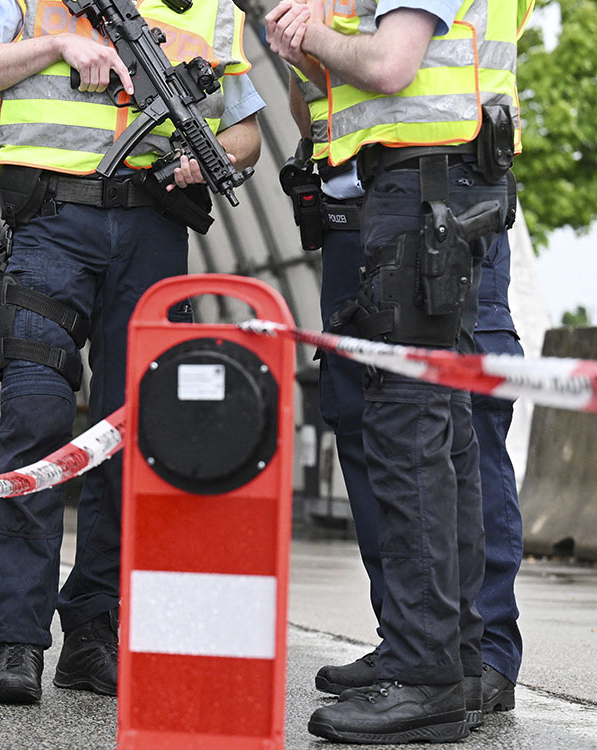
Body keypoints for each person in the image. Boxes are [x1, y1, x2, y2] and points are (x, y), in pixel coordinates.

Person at [0, 0, 264, 705]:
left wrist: (202, 163)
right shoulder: (24, 3)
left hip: (152, 226)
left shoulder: (211, 12)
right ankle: (18, 641)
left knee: (130, 439)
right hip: (50, 225)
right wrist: (52, 46)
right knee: (34, 421)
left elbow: (247, 138)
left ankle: (93, 635)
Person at [267, 0, 528, 741]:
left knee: (411, 431)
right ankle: (449, 657)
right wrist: (308, 41)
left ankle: (426, 677)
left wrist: (311, 32)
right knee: (439, 433)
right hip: (422, 186)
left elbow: (390, 65)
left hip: (428, 190)